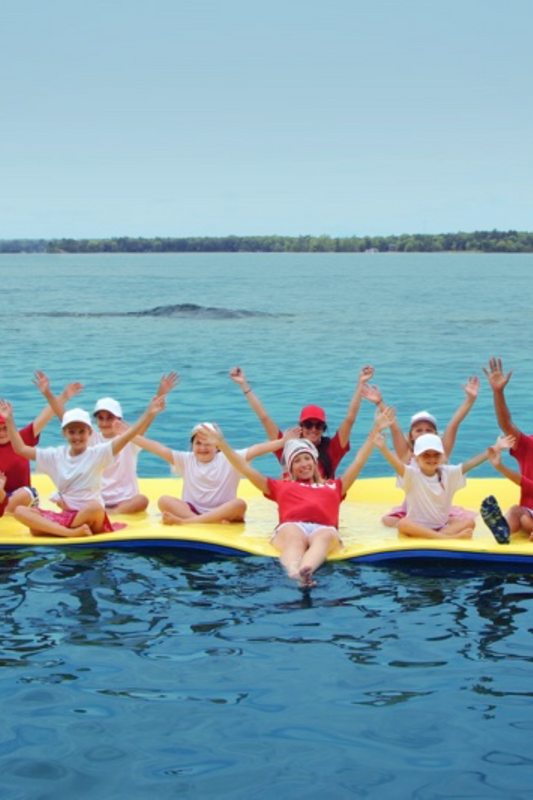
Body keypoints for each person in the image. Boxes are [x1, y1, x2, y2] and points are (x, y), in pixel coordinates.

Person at [196, 408, 395, 587]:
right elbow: (245, 468)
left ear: (314, 461)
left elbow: (358, 461)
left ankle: (306, 570)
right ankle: (293, 570)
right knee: (293, 534)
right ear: (290, 467)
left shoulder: (334, 486)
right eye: (297, 461)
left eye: (307, 458)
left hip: (324, 529)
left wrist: (376, 429)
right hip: (292, 527)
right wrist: (222, 443)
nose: (304, 464)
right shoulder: (282, 486)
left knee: (325, 536)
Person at [0, 392, 165, 538]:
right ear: (64, 433)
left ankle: (51, 529)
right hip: (69, 518)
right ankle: (69, 532)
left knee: (94, 508)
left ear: (89, 433)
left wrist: (149, 413)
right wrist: (10, 419)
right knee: (21, 511)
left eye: (81, 432)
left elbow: (128, 435)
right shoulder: (55, 455)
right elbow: (20, 448)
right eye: (72, 432)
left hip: (91, 516)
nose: (77, 437)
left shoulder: (98, 453)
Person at [34, 371, 178, 514]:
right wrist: (48, 394)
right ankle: (102, 511)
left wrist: (161, 394)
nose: (104, 422)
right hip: (95, 499)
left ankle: (111, 513)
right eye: (101, 418)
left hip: (124, 500)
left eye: (109, 418)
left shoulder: (130, 438)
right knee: (64, 497)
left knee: (141, 500)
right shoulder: (90, 438)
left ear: (119, 419)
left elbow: (145, 421)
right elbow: (64, 417)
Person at [362, 377, 479, 527]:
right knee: (387, 520)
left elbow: (454, 424)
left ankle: (431, 529)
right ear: (411, 434)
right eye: (418, 430)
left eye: (428, 430)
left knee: (459, 521)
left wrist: (470, 399)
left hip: (437, 510)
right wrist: (379, 403)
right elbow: (394, 425)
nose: (424, 433)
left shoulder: (441, 451)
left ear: (435, 434)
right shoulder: (406, 453)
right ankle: (434, 530)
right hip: (412, 509)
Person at [135, 423, 301, 525]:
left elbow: (255, 450)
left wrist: (282, 442)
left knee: (239, 504)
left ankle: (188, 523)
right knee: (164, 501)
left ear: (217, 446)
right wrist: (128, 436)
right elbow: (156, 448)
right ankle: (197, 521)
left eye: (208, 443)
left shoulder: (229, 458)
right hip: (193, 511)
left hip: (223, 512)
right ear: (192, 445)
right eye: (198, 443)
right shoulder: (186, 459)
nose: (202, 448)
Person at [229, 364, 376, 479]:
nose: (313, 429)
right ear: (301, 427)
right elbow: (264, 418)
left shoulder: (333, 449)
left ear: (324, 428)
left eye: (318, 425)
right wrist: (244, 385)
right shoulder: (287, 446)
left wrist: (360, 384)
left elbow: (350, 419)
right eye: (308, 425)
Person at [372, 425, 513, 540]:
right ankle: (445, 538)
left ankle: (435, 536)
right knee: (403, 523)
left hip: (441, 526)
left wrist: (495, 448)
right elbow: (396, 464)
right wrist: (383, 448)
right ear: (416, 458)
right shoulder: (412, 475)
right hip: (416, 527)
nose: (431, 459)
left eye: (436, 454)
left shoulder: (448, 473)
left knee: (469, 523)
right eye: (426, 454)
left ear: (441, 456)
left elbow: (471, 463)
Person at [0, 378, 82, 518]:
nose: (2, 433)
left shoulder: (21, 438)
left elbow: (45, 416)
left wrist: (64, 396)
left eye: (5, 428)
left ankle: (6, 510)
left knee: (26, 493)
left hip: (21, 496)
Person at [482, 357, 533, 541]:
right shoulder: (529, 445)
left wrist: (500, 467)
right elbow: (506, 424)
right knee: (516, 513)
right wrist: (498, 392)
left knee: (526, 522)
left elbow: (525, 483)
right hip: (529, 513)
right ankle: (503, 531)